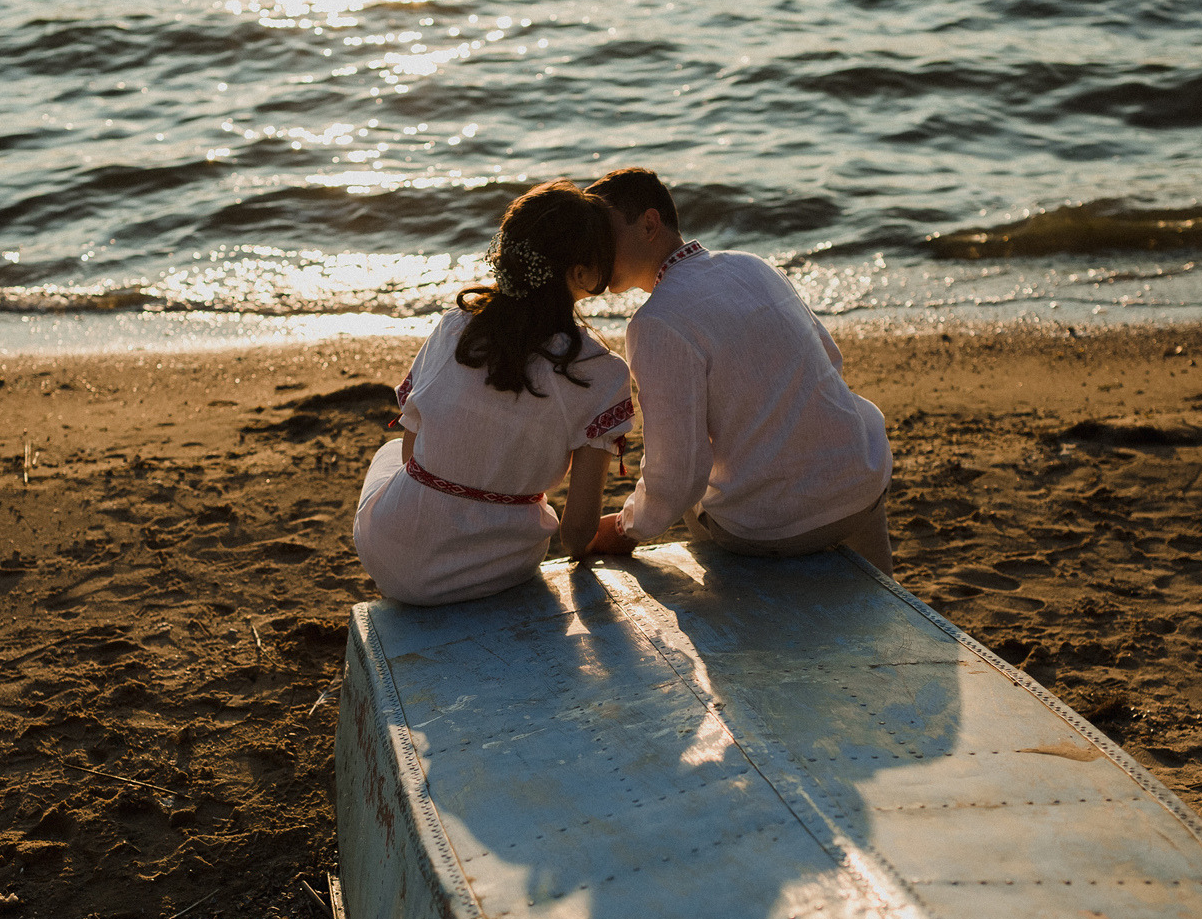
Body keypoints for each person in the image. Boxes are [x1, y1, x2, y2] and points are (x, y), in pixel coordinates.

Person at [583, 168, 894, 573]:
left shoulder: (655, 322)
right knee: (880, 593)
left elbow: (677, 477)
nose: (597, 255)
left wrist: (626, 528)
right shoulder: (753, 265)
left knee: (697, 501)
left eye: (606, 237)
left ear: (649, 223)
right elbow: (829, 360)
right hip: (863, 479)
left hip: (773, 528)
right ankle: (883, 589)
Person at [352, 180, 635, 605]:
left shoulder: (455, 328)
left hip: (393, 560)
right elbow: (576, 536)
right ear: (579, 273)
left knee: (391, 453)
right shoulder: (602, 373)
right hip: (503, 569)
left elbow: (412, 455)